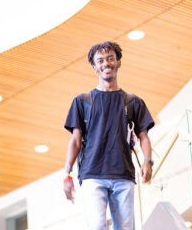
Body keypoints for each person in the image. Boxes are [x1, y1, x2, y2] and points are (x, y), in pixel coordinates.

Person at [63, 41, 154, 230]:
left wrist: (147, 161)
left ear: (118, 62)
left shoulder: (133, 102)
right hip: (92, 174)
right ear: (94, 67)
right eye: (101, 60)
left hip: (124, 175)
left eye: (111, 58)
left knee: (126, 228)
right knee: (97, 226)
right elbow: (75, 141)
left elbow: (143, 136)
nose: (106, 63)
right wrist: (67, 174)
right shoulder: (82, 102)